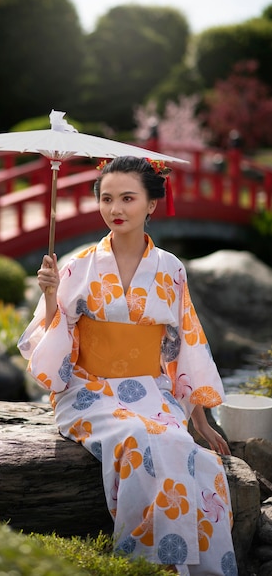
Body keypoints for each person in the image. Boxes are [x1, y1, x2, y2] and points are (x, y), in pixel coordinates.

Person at [18, 156, 237, 576]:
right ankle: (147, 565)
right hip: (89, 390)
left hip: (151, 389)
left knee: (190, 453)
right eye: (106, 198)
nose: (115, 209)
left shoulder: (170, 268)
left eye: (127, 198)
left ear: (152, 204)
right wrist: (49, 296)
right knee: (138, 438)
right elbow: (55, 331)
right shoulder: (76, 265)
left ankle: (188, 567)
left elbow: (186, 344)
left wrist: (200, 418)